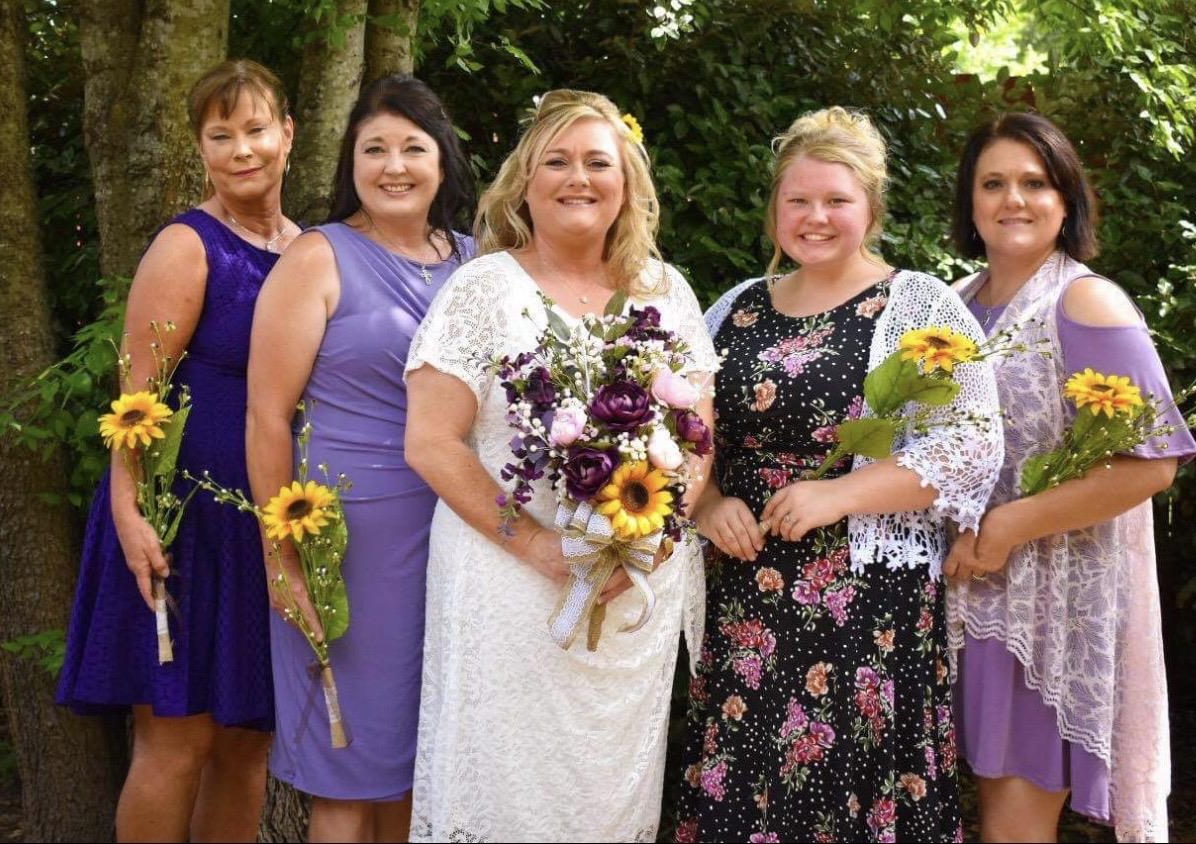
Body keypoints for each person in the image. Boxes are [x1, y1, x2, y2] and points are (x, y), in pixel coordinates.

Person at [674, 106, 1002, 843]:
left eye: (836, 200)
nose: (815, 217)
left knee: (846, 787)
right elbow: (684, 437)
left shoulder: (918, 304)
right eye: (798, 199)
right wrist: (709, 503)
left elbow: (973, 443)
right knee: (749, 784)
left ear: (872, 210)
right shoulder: (731, 310)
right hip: (744, 594)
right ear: (774, 209)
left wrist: (841, 494)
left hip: (865, 605)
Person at [402, 89, 719, 841]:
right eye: (558, 162)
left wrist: (648, 542)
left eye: (598, 163)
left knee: (607, 793)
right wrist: (541, 546)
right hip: (507, 579)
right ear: (525, 182)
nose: (579, 178)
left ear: (627, 184)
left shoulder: (666, 291)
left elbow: (698, 436)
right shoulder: (483, 288)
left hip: (630, 585)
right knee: (503, 779)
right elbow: (432, 441)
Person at [56, 59, 296, 841]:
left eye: (255, 129)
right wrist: (130, 517)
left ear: (288, 133)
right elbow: (134, 402)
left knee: (247, 745)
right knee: (176, 740)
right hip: (178, 527)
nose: (241, 150)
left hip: (261, 529)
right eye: (220, 136)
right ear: (201, 149)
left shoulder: (310, 252)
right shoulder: (189, 246)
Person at [944, 112, 1196, 844]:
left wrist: (1007, 525)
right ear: (970, 201)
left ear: (1066, 200)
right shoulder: (953, 304)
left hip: (1044, 607)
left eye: (1035, 183)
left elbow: (1151, 463)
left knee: (1014, 826)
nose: (1013, 200)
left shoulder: (1086, 302)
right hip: (956, 594)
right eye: (994, 183)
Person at [245, 75, 474, 844]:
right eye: (374, 149)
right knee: (347, 772)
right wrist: (282, 561)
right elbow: (266, 417)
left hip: (461, 538)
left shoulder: (477, 264)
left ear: (442, 160)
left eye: (413, 147)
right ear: (351, 161)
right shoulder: (317, 257)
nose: (394, 166)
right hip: (347, 549)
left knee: (426, 769)